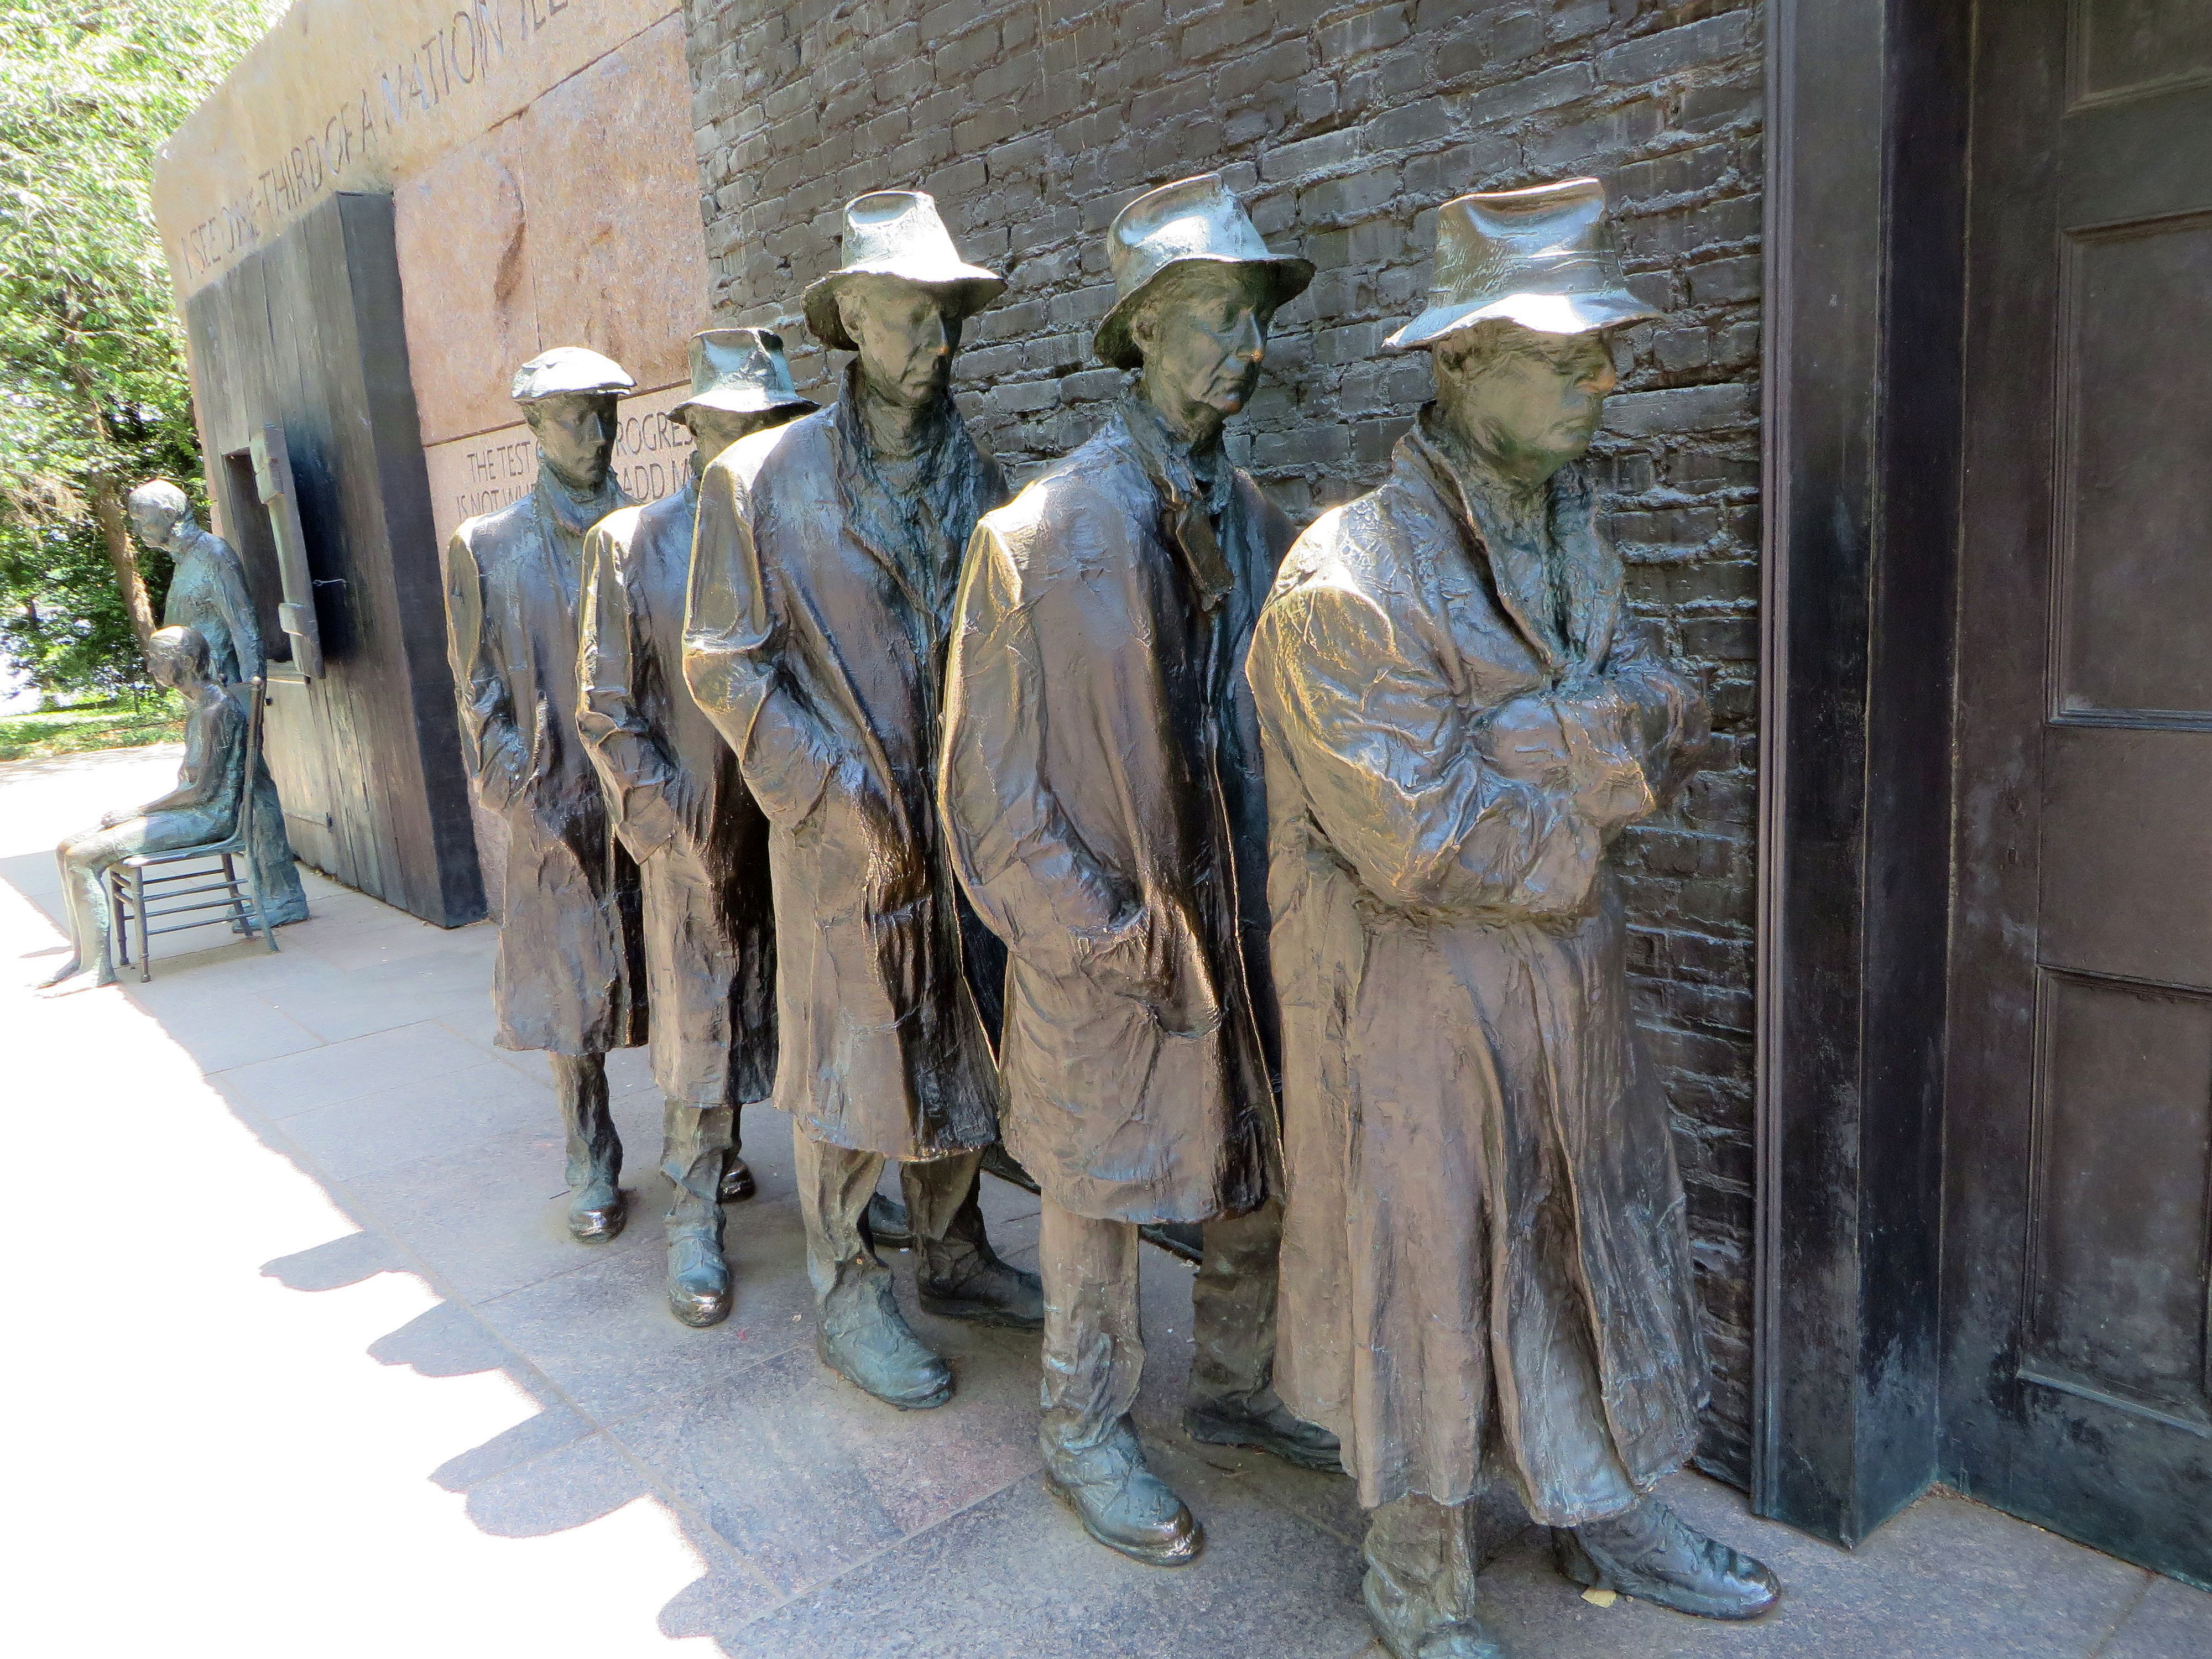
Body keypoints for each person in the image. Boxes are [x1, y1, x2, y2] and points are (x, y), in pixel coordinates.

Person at [1244, 179, 1778, 1659]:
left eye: (1600, 351)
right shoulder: (1347, 579)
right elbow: (1421, 840)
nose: (1598, 379)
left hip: (1566, 984)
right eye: (1561, 354)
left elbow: (1674, 708)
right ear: (1460, 359)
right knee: (1426, 1266)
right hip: (1415, 1006)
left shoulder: (1573, 529)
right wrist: (1587, 775)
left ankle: (1600, 1498)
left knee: (1586, 1235)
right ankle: (1415, 1568)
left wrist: (1539, 740)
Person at [941, 174, 1338, 1569]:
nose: (1247, 345)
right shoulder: (1036, 537)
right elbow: (987, 794)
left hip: (1248, 918)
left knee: (1260, 1161)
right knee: (1093, 1189)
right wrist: (1103, 936)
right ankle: (1082, 1423)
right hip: (1102, 939)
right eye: (1217, 315)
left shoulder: (1267, 523)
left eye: (1253, 317)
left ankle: (1236, 1383)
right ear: (1144, 329)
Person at [685, 191, 1040, 1409]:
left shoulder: (979, 473)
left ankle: (952, 1247)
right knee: (850, 1057)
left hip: (958, 822)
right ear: (848, 321)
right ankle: (845, 1285)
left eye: (946, 318)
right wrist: (831, 795)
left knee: (961, 1034)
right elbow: (723, 661)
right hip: (839, 828)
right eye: (907, 316)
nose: (934, 342)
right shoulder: (759, 480)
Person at [577, 328, 815, 1327]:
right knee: (702, 1027)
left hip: (802, 826)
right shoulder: (633, 544)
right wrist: (670, 830)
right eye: (731, 427)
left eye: (770, 426)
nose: (751, 444)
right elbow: (605, 709)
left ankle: (841, 1206)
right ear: (694, 431)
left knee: (817, 1018)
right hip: (694, 828)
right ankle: (694, 1211)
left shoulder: (805, 531)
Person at [445, 346, 648, 1248]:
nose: (595, 435)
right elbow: (476, 689)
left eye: (607, 415)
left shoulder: (652, 530)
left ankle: (705, 1143)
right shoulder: (488, 546)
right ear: (533, 425)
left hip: (651, 797)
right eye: (574, 417)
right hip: (553, 801)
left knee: (684, 973)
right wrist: (518, 790)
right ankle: (591, 1158)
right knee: (573, 994)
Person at [126, 479, 308, 926]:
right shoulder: (185, 561)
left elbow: (244, 626)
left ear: (169, 513)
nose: (136, 525)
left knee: (254, 792)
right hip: (208, 698)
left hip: (231, 699)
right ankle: (273, 893)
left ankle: (283, 897)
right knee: (246, 793)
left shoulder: (213, 554)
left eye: (140, 515)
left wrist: (251, 693)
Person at [42, 627, 249, 992]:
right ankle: (83, 957)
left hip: (207, 817)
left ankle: (96, 968)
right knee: (66, 848)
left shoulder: (215, 709)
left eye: (157, 658)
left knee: (81, 857)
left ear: (186, 661)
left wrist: (138, 811)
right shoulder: (200, 705)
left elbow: (202, 792)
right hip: (189, 808)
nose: (150, 666)